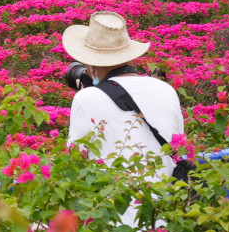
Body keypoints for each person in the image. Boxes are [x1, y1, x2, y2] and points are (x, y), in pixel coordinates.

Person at [64, 11, 185, 179]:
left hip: (116, 194)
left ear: (90, 66)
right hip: (167, 192)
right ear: (130, 56)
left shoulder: (86, 98)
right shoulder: (166, 90)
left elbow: (74, 159)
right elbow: (179, 147)